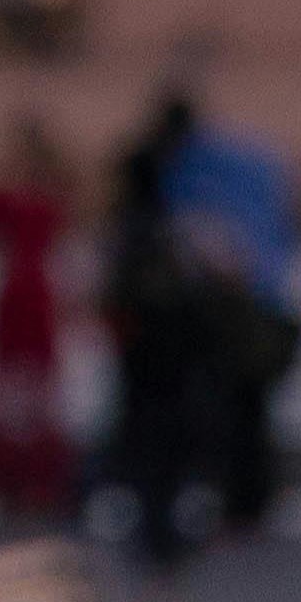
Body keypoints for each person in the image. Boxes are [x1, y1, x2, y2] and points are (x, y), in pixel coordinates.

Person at [164, 103, 301, 534]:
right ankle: (250, 505)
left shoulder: (195, 174)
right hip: (266, 311)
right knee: (252, 414)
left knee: (235, 413)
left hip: (238, 319)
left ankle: (241, 507)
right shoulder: (256, 165)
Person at [100, 94, 201, 569]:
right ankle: (158, 528)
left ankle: (152, 525)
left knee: (145, 436)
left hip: (140, 349)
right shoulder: (156, 229)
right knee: (164, 437)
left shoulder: (128, 229)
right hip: (162, 349)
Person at [0, 115, 79, 523]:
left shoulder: (14, 197)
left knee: (19, 393)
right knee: (33, 393)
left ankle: (19, 480)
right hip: (32, 294)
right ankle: (33, 481)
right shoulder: (48, 197)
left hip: (22, 294)